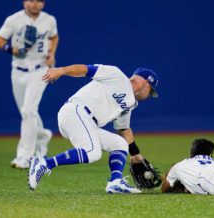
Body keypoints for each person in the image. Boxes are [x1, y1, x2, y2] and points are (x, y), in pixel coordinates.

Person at [28, 64, 159, 194]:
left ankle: (115, 182)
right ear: (146, 83)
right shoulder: (116, 75)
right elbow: (86, 69)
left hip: (87, 122)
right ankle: (45, 163)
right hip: (75, 111)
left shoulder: (130, 103)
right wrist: (61, 71)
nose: (149, 96)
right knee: (92, 152)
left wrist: (135, 155)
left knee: (119, 144)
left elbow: (124, 129)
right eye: (150, 91)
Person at [0, 0, 59, 169]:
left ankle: (25, 156)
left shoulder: (49, 20)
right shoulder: (14, 20)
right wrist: (12, 49)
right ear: (24, 3)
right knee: (26, 112)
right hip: (18, 71)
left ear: (43, 3)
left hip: (40, 70)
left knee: (28, 110)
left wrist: (52, 53)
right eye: (31, 0)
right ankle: (43, 135)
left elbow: (54, 37)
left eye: (38, 0)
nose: (34, 3)